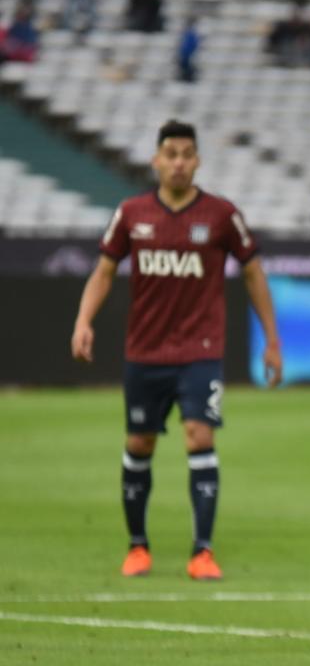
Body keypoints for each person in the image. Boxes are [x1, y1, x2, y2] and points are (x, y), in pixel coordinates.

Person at [70, 120, 283, 581]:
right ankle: (137, 547)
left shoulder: (223, 215)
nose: (179, 162)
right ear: (156, 160)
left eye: (187, 154)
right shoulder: (131, 213)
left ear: (198, 161)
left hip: (200, 350)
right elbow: (104, 270)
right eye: (171, 153)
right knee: (139, 442)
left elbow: (253, 273)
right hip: (145, 352)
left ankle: (202, 552)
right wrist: (84, 319)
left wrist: (272, 339)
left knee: (199, 437)